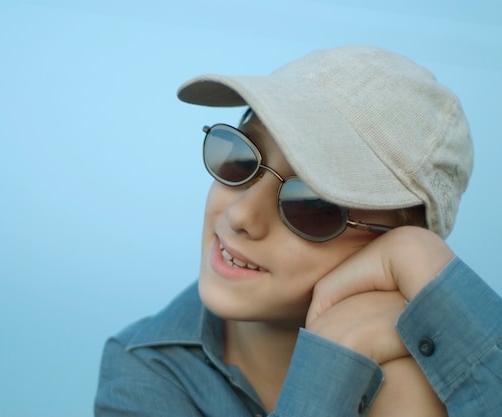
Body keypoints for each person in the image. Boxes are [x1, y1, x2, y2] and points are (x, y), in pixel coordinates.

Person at [94, 45, 502, 416]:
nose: (241, 214)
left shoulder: (419, 383)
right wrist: (332, 364)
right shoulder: (142, 377)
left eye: (314, 203)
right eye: (241, 159)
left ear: (388, 245)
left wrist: (422, 257)